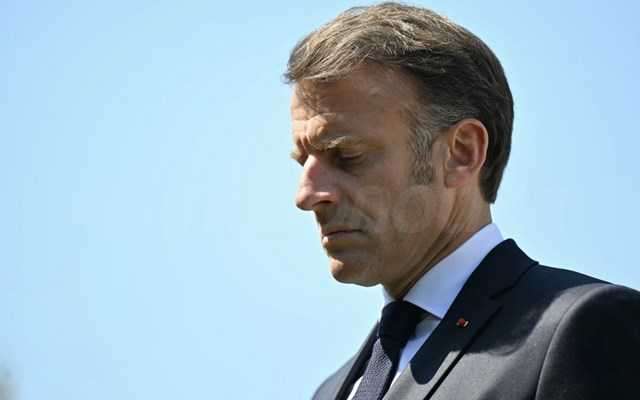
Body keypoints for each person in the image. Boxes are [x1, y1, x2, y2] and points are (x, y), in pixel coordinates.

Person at [284, 3, 640, 400]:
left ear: (462, 153)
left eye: (347, 155)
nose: (306, 195)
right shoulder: (332, 390)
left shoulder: (586, 328)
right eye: (303, 162)